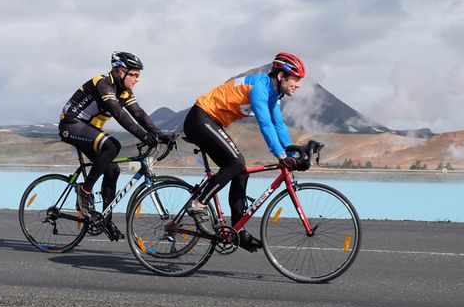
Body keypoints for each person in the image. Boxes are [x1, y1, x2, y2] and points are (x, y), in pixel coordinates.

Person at [182, 52, 308, 251]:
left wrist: (292, 153)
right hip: (200, 119)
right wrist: (281, 156)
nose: (298, 84)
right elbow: (265, 123)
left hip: (213, 122)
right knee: (236, 163)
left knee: (240, 170)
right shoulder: (260, 88)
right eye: (295, 79)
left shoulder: (273, 94)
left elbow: (278, 124)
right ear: (282, 76)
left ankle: (237, 229)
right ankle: (198, 204)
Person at [58, 51, 172, 241]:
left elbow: (138, 113)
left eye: (138, 76)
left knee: (112, 171)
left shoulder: (123, 91)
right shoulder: (103, 83)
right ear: (121, 71)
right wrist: (144, 136)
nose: (137, 80)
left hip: (88, 129)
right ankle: (84, 191)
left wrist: (158, 133)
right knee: (112, 146)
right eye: (134, 75)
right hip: (71, 125)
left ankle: (105, 220)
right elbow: (119, 114)